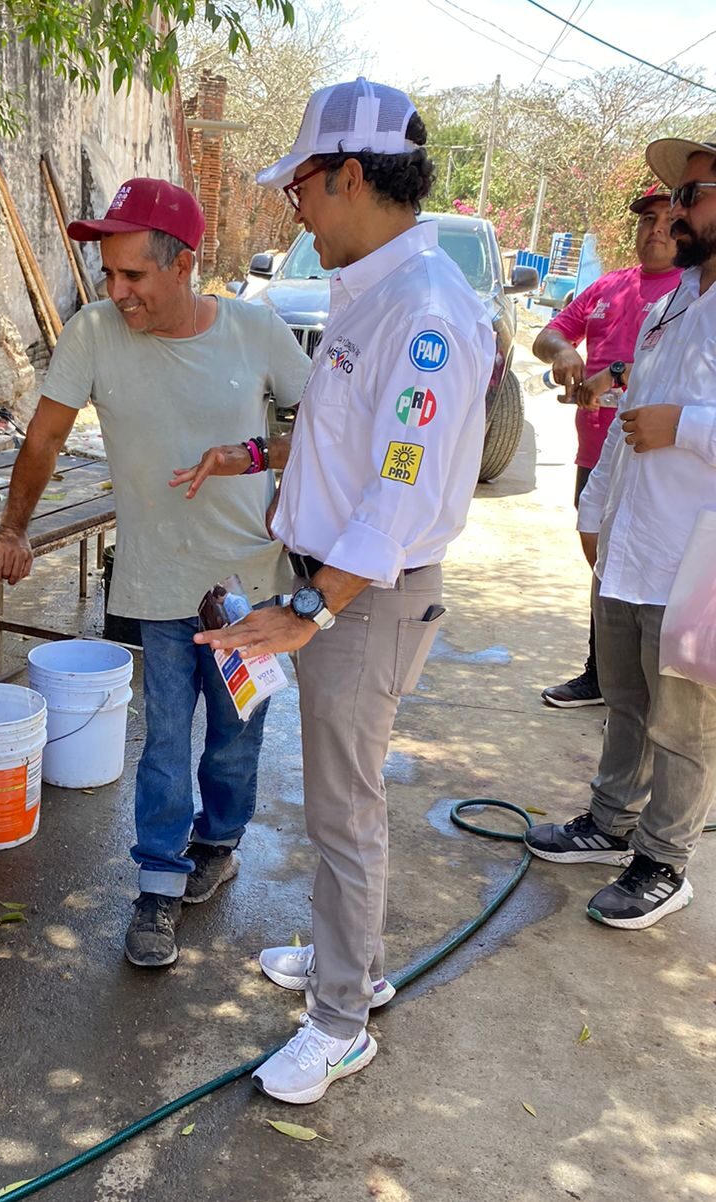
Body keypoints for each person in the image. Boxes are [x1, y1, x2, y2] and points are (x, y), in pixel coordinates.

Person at [182, 77, 494, 1105]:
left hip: (364, 596)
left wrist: (312, 608)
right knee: (331, 799)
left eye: (302, 189)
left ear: (352, 175)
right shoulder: (375, 293)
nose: (296, 210)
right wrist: (254, 455)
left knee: (345, 810)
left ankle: (341, 1021)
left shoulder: (430, 313)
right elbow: (352, 445)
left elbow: (397, 496)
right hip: (332, 580)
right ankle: (343, 959)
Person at [0, 177, 312, 968]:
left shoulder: (258, 332)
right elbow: (43, 440)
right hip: (158, 581)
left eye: (133, 274)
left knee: (234, 738)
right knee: (165, 738)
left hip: (251, 588)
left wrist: (257, 456)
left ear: (184, 263)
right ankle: (158, 887)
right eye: (109, 274)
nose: (117, 291)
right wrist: (13, 528)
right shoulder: (93, 333)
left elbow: (329, 436)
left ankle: (220, 841)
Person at [524, 134, 716, 929]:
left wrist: (689, 426)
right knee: (628, 698)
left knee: (684, 721)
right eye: (677, 195)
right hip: (635, 544)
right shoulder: (673, 304)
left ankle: (665, 861)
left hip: (695, 560)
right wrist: (595, 513)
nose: (675, 208)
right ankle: (611, 823)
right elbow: (630, 419)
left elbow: (665, 422)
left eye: (693, 194)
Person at [532, 188, 681, 708]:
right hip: (595, 457)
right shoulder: (609, 288)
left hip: (652, 464)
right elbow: (549, 333)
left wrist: (612, 374)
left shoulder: (690, 297)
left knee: (648, 577)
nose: (655, 229)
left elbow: (678, 374)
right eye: (647, 220)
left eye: (667, 219)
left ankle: (645, 690)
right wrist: (566, 351)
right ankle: (604, 676)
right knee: (603, 568)